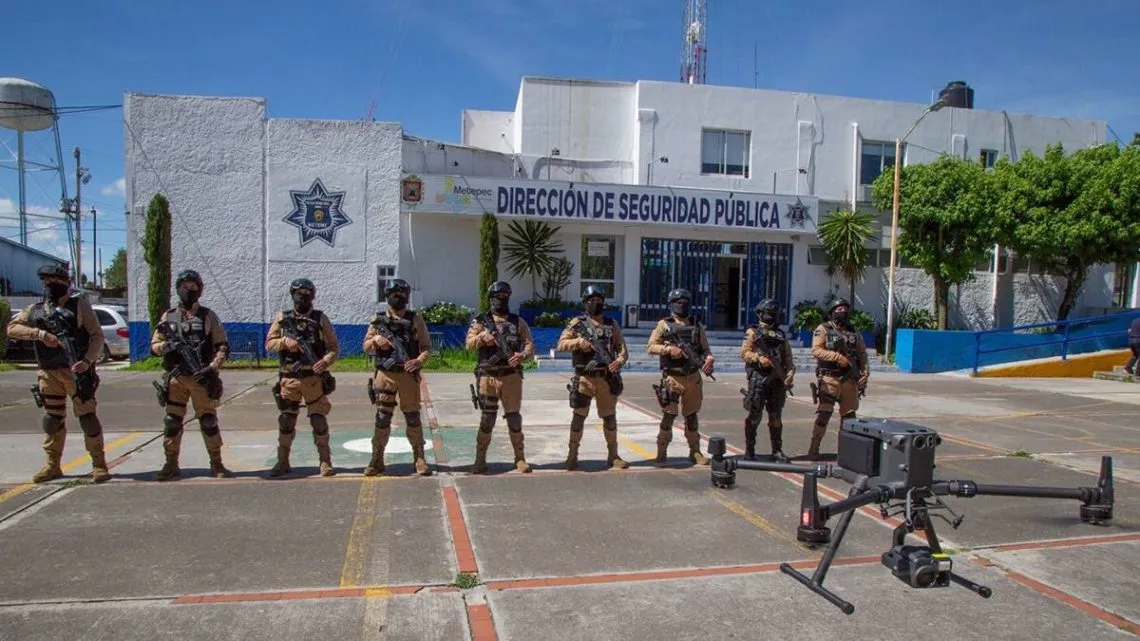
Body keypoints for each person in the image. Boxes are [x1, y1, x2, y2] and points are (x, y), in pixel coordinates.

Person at [7, 264, 110, 483]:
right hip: (48, 372)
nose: (50, 286)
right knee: (52, 420)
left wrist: (87, 361)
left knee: (88, 419)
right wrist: (39, 334)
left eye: (55, 281)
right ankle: (53, 465)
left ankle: (99, 464)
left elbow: (96, 336)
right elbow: (12, 328)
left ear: (66, 283)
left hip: (76, 372)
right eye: (46, 282)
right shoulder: (35, 309)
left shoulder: (79, 306)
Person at [150, 269, 231, 479]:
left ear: (200, 290)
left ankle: (217, 463)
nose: (189, 290)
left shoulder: (208, 316)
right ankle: (170, 463)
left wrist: (213, 367)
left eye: (193, 287)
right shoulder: (168, 316)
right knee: (172, 421)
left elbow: (222, 345)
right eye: (185, 286)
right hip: (176, 378)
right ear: (178, 288)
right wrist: (166, 346)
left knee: (208, 421)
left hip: (201, 378)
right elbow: (155, 345)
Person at [264, 278, 340, 477]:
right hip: (289, 379)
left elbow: (333, 347)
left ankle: (325, 461)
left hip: (313, 378)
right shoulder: (282, 317)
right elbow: (269, 344)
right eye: (299, 293)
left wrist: (325, 361)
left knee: (318, 421)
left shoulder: (320, 319)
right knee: (287, 420)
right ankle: (283, 461)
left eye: (307, 293)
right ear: (292, 295)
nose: (303, 296)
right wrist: (284, 342)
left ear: (312, 295)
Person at [362, 278, 433, 476]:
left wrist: (418, 361)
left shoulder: (415, 320)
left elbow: (427, 348)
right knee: (382, 417)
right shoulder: (377, 321)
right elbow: (365, 346)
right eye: (395, 294)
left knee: (412, 417)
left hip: (408, 375)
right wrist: (376, 340)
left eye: (402, 295)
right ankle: (377, 458)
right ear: (387, 296)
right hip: (385, 375)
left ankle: (419, 457)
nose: (399, 298)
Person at [464, 281, 535, 473]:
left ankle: (519, 458)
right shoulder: (480, 322)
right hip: (488, 376)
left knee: (514, 419)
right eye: (497, 297)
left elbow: (529, 345)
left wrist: (522, 355)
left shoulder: (518, 322)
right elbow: (468, 344)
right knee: (487, 419)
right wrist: (481, 338)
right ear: (490, 298)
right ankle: (480, 459)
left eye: (504, 297)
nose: (500, 300)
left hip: (511, 377)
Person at [556, 286, 630, 470]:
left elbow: (622, 349)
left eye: (599, 300)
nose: (596, 303)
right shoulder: (577, 323)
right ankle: (572, 455)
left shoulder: (611, 324)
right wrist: (579, 343)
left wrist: (619, 361)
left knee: (610, 418)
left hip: (606, 379)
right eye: (591, 300)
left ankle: (613, 455)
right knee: (579, 417)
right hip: (584, 379)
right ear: (585, 302)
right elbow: (561, 344)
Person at [645, 288, 714, 465]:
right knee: (669, 415)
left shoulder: (697, 325)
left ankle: (695, 451)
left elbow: (705, 349)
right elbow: (651, 347)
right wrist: (669, 349)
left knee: (691, 416)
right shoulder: (664, 325)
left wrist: (709, 359)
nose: (682, 306)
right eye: (679, 302)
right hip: (673, 378)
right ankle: (661, 451)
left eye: (685, 302)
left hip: (692, 377)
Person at [808, 298, 869, 460]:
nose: (843, 312)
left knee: (849, 419)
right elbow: (816, 350)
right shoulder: (823, 329)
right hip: (830, 379)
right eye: (839, 309)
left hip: (850, 381)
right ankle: (814, 448)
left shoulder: (853, 331)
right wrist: (836, 357)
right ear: (832, 312)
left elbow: (862, 354)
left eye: (845, 310)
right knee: (824, 415)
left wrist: (865, 373)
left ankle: (846, 452)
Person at [739, 298, 795, 461]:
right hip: (759, 379)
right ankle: (750, 450)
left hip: (777, 381)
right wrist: (758, 358)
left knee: (776, 416)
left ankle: (776, 450)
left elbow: (788, 358)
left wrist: (790, 374)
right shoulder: (752, 332)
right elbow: (744, 353)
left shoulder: (780, 335)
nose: (770, 316)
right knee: (754, 416)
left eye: (773, 313)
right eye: (767, 313)